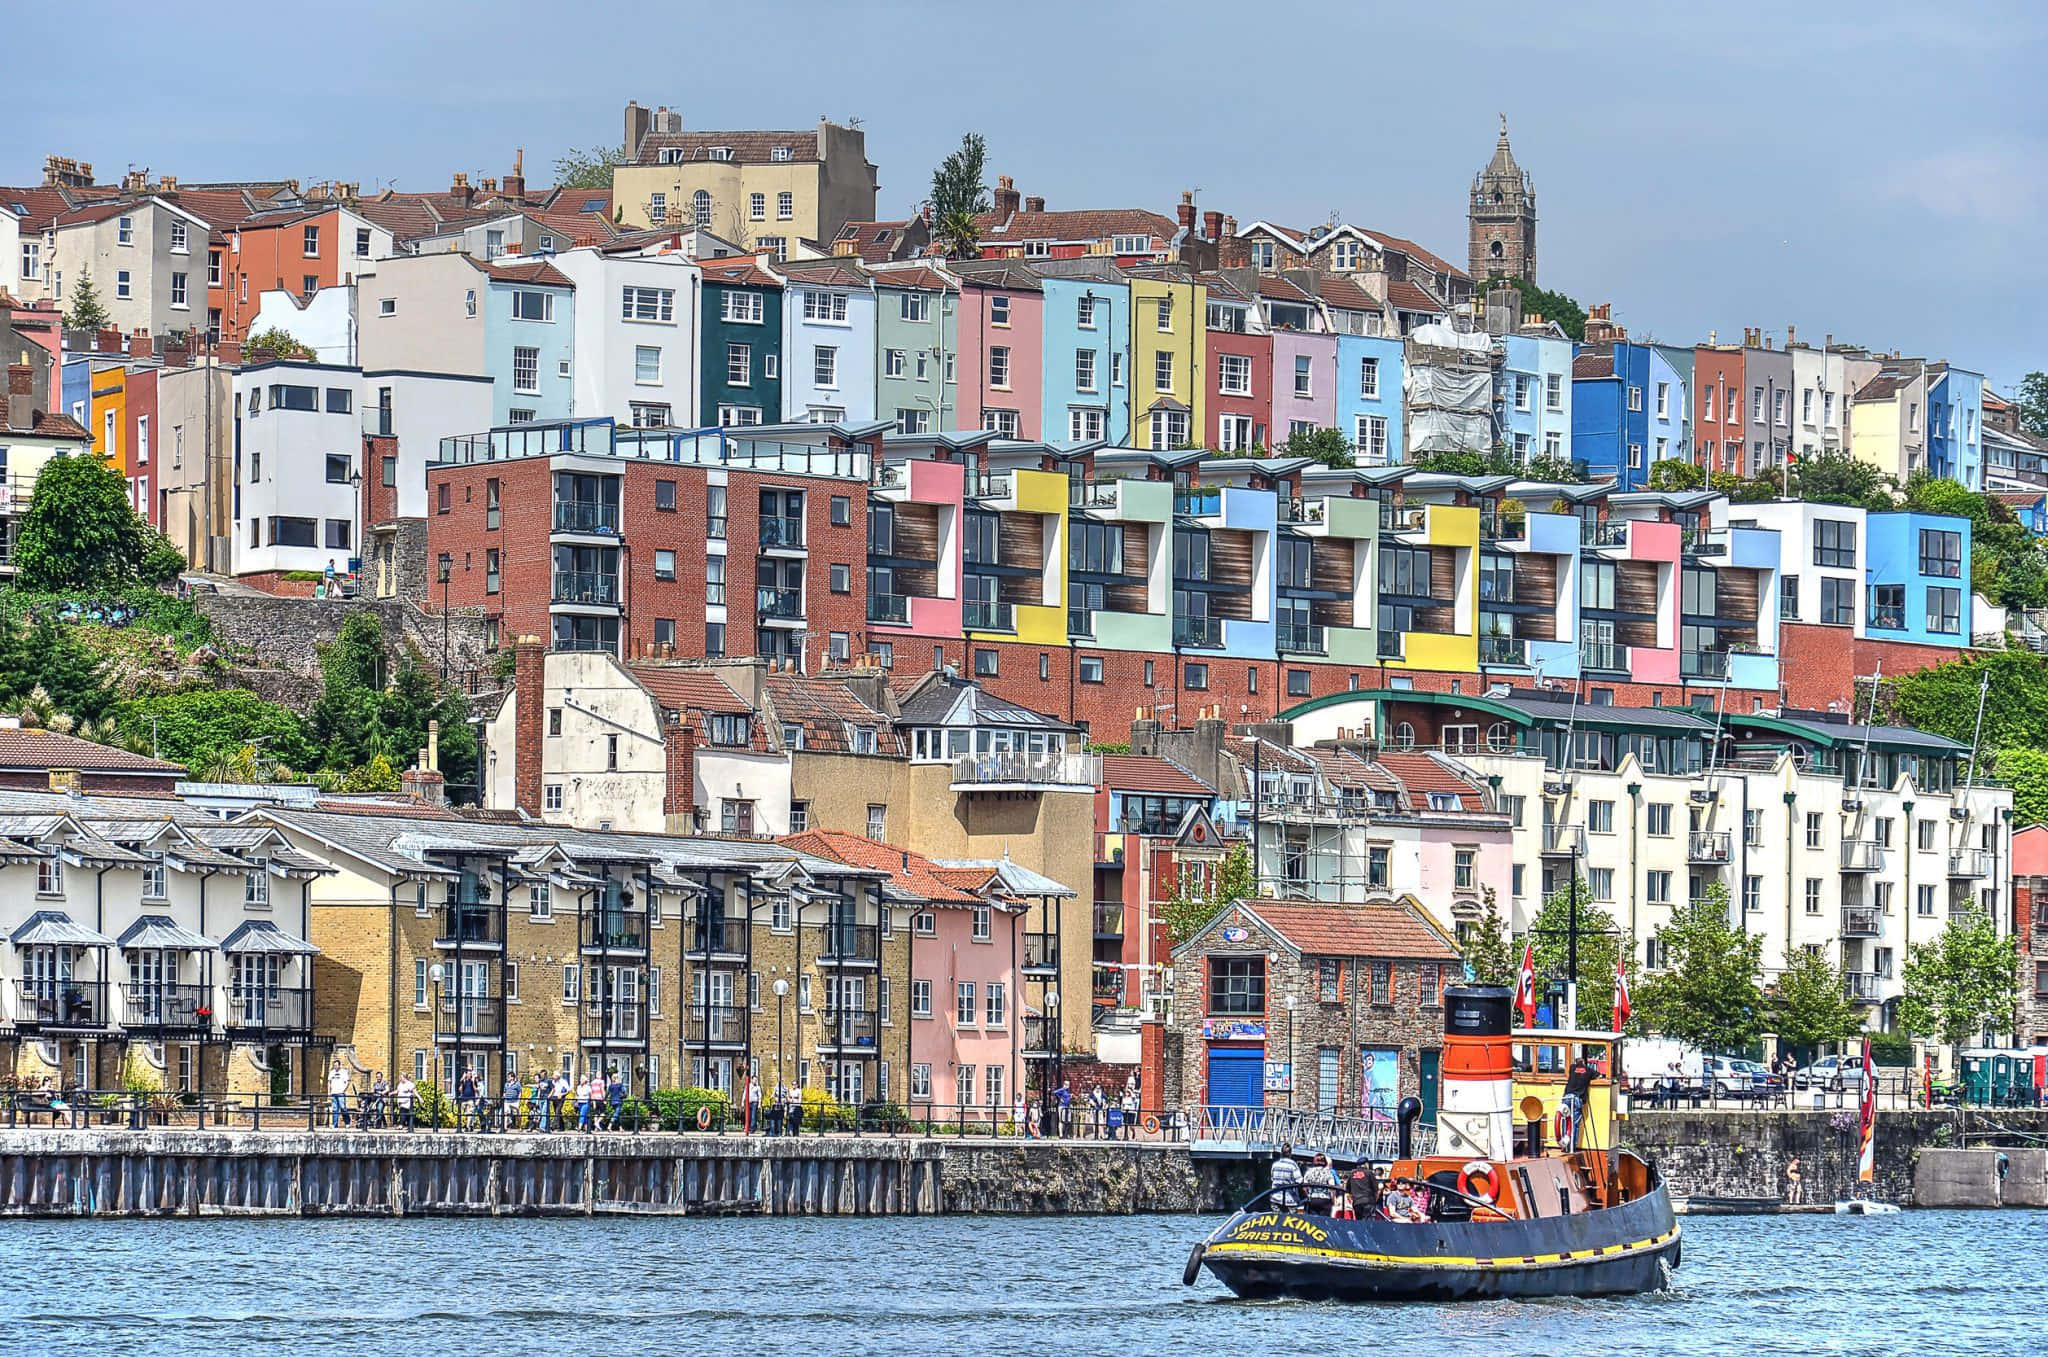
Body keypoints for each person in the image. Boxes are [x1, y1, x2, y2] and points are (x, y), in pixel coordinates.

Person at [1560, 1051, 1594, 1151]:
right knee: (1574, 1123)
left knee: (1564, 1121)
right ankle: (1572, 1147)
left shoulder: (1572, 1068)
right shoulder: (1589, 1070)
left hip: (1567, 1097)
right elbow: (1598, 1075)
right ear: (1584, 1063)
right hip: (1576, 1099)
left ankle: (1564, 1145)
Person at [1269, 1144, 1303, 1210]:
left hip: (1275, 1198)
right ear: (1290, 1153)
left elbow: (1272, 1178)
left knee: (1277, 1219)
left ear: (1281, 1153)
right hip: (1290, 1200)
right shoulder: (1292, 1164)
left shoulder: (1275, 1164)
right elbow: (1299, 1181)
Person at [327, 1061, 351, 1128]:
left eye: (336, 1065)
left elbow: (348, 1082)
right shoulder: (332, 1072)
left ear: (339, 1065)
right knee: (335, 1109)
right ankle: (335, 1125)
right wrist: (329, 1092)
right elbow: (329, 1082)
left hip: (341, 1093)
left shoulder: (343, 1072)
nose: (335, 1067)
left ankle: (347, 1122)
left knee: (343, 1107)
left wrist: (343, 1090)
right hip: (334, 1093)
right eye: (334, 1065)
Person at [456, 1066, 479, 1131]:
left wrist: (473, 1081)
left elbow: (476, 1090)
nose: (468, 1074)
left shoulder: (473, 1081)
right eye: (467, 1072)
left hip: (471, 1099)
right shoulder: (464, 1080)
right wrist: (462, 1081)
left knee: (470, 1113)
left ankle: (467, 1126)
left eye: (470, 1072)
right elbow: (460, 1089)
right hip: (464, 1098)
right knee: (464, 1113)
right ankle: (470, 1125)